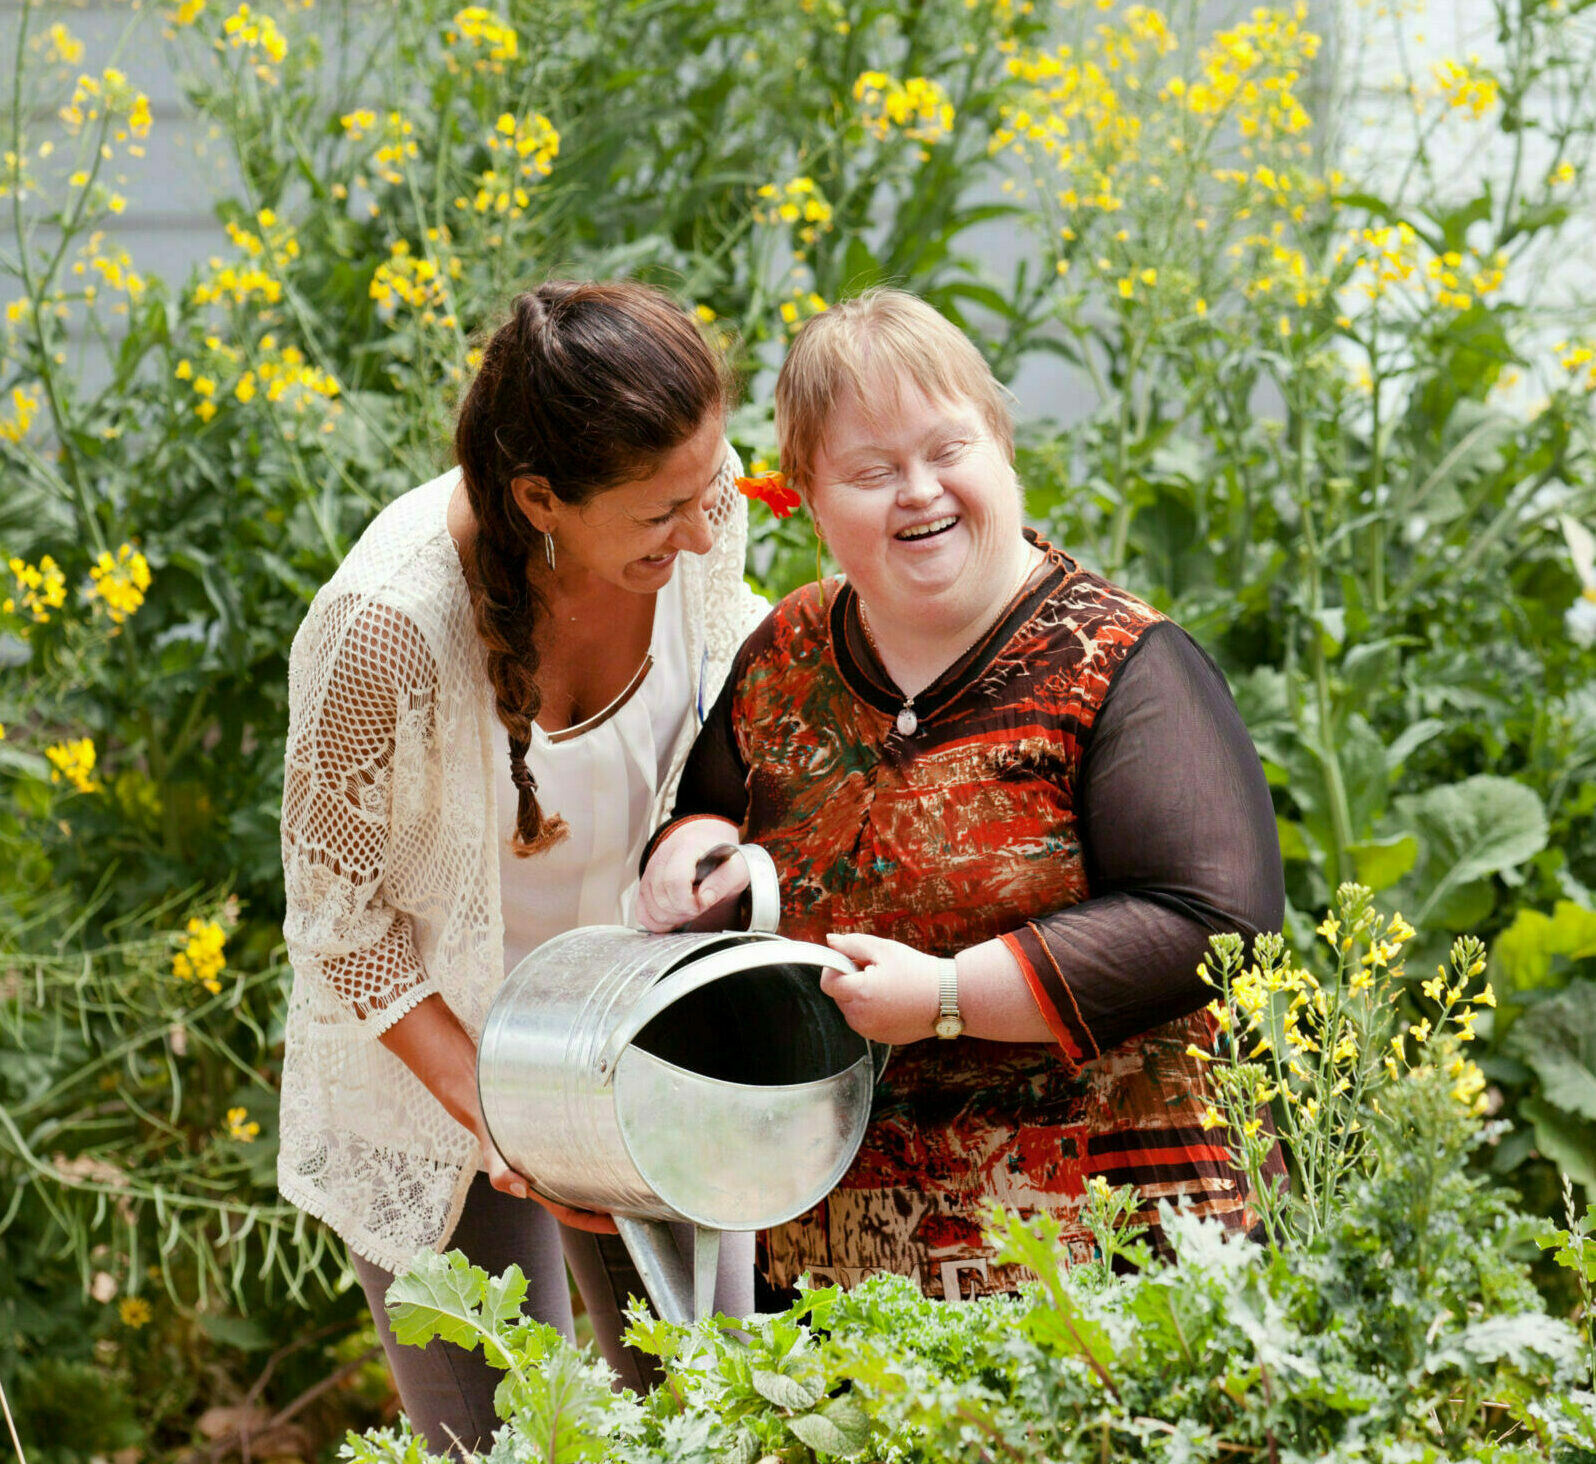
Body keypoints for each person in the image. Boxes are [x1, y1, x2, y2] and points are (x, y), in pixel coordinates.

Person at [639, 288, 1284, 1303]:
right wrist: (688, 851)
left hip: (1105, 1272)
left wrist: (946, 999)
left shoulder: (1121, 664)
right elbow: (714, 808)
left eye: (948, 451)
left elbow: (1209, 922)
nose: (918, 491)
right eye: (871, 471)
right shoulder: (787, 652)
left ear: (1002, 444)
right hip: (838, 1277)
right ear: (809, 495)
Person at [277, 280, 765, 1450]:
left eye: (711, 490)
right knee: (505, 1444)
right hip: (446, 1084)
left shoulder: (695, 499)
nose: (707, 528)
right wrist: (502, 1117)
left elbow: (731, 663)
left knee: (719, 1420)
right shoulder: (384, 627)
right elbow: (340, 924)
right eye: (664, 516)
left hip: (648, 1049)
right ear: (540, 498)